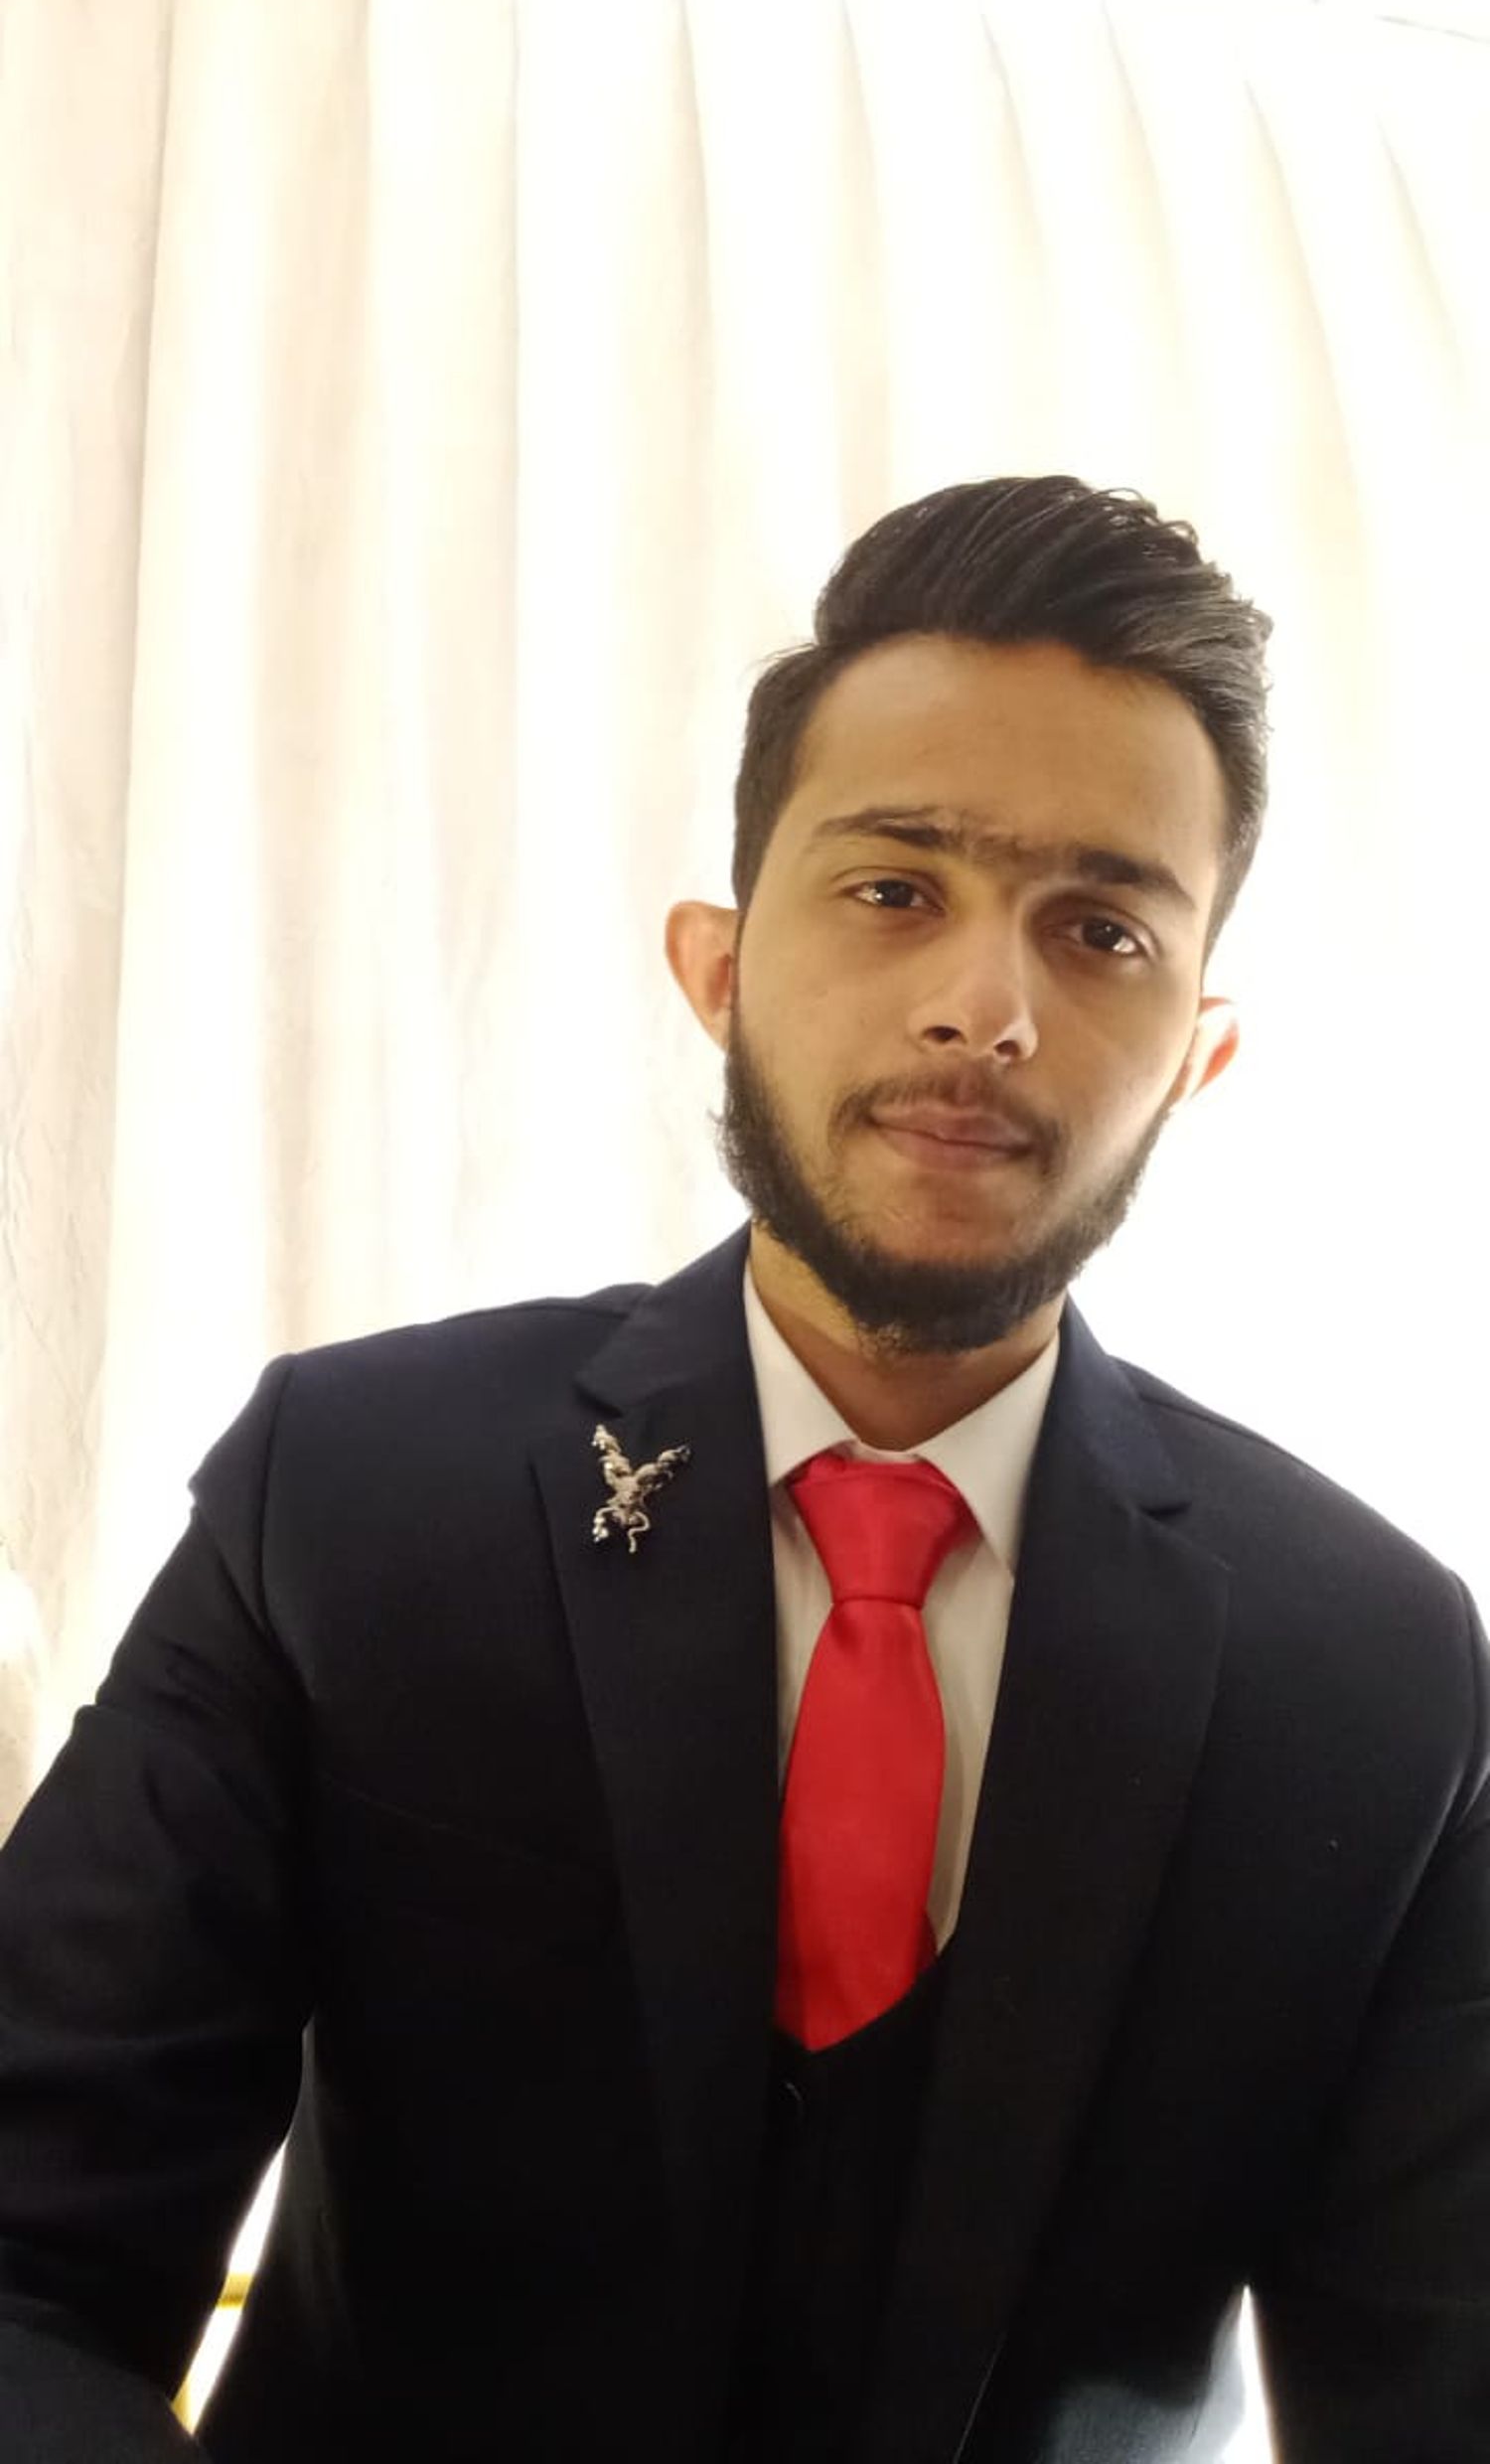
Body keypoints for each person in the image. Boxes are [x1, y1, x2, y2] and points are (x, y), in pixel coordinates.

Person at [0, 476, 1485, 2464]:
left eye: (1102, 928)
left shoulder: (1378, 1673)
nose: (988, 1008)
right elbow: (29, 2254)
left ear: (1196, 1052)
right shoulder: (349, 1501)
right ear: (715, 966)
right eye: (895, 889)